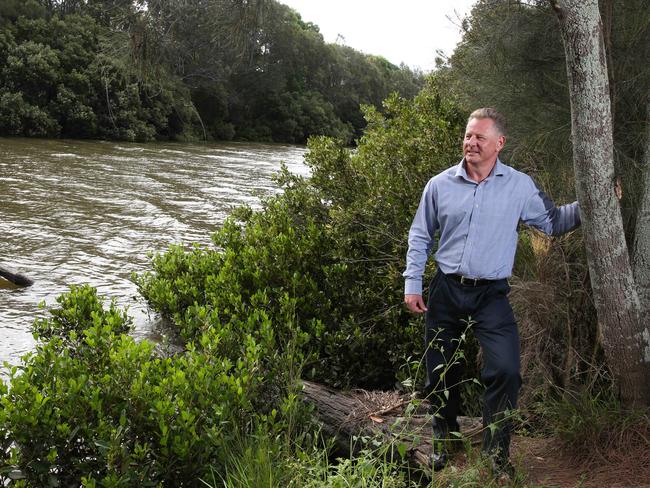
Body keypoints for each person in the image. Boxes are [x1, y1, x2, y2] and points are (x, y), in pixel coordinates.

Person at [403, 108, 580, 474]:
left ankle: (497, 455)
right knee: (438, 372)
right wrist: (412, 282)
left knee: (507, 370)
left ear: (499, 143)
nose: (471, 143)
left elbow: (552, 222)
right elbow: (421, 234)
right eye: (468, 136)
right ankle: (444, 441)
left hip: (491, 296)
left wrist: (596, 202)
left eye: (479, 137)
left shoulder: (519, 186)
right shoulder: (440, 185)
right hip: (447, 290)